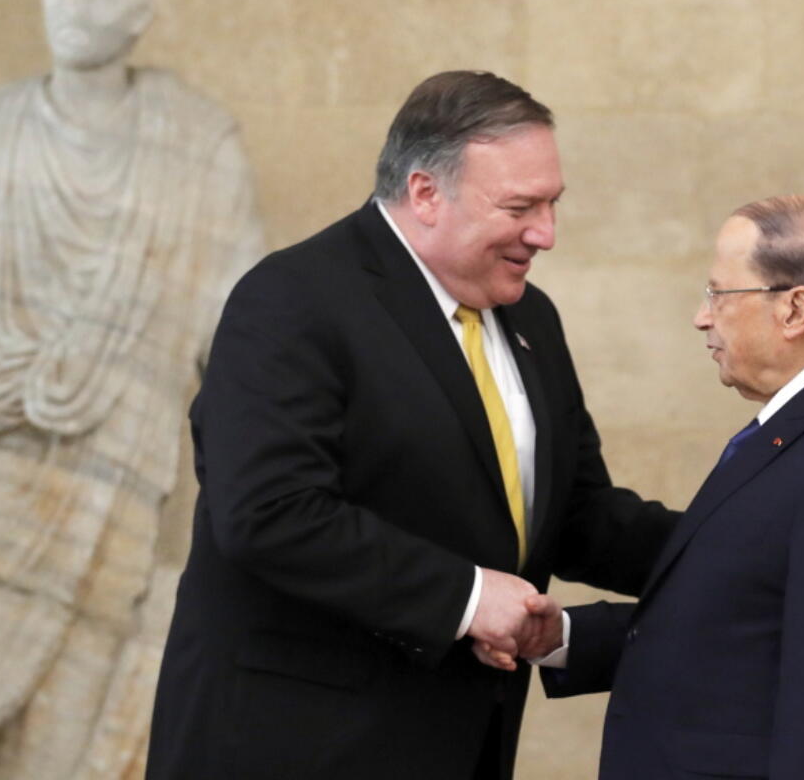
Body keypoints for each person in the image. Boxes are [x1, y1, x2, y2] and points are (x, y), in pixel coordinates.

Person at [145, 70, 677, 780]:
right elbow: (267, 511)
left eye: (552, 204)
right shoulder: (293, 300)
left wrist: (742, 544)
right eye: (520, 206)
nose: (545, 234)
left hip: (458, 745)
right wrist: (465, 596)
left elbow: (577, 516)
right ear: (426, 193)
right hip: (295, 748)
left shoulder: (531, 320)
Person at [0, 0, 264, 779]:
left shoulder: (194, 143)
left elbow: (240, 322)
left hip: (112, 454)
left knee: (82, 689)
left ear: (134, 14)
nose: (67, 4)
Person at [532, 195, 804, 779]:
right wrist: (566, 636)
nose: (703, 317)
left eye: (719, 294)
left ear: (795, 309)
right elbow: (741, 627)